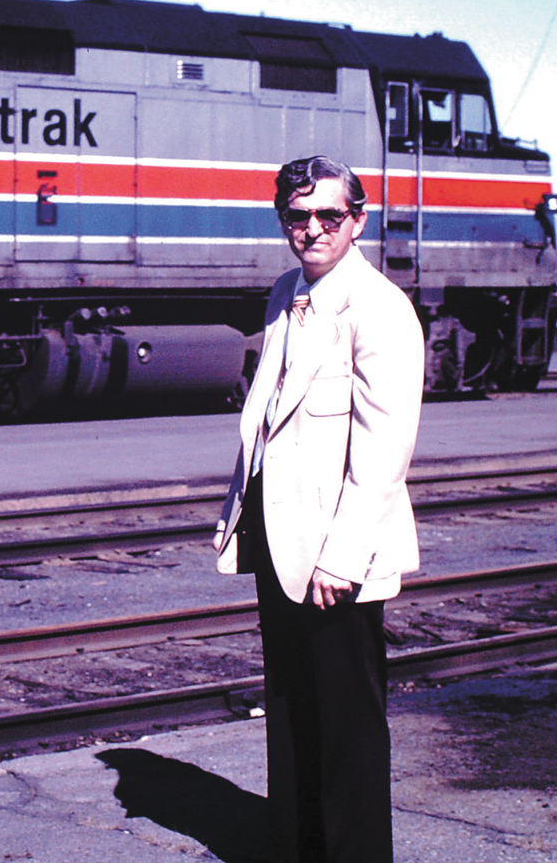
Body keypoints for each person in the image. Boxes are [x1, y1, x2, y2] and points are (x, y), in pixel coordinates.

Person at [213, 155, 425, 863]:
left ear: (357, 221)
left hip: (338, 553)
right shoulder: (285, 294)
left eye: (329, 216)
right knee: (293, 711)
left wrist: (343, 555)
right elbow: (269, 413)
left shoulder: (380, 309)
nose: (313, 230)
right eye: (297, 217)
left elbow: (383, 450)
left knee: (347, 726)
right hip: (280, 540)